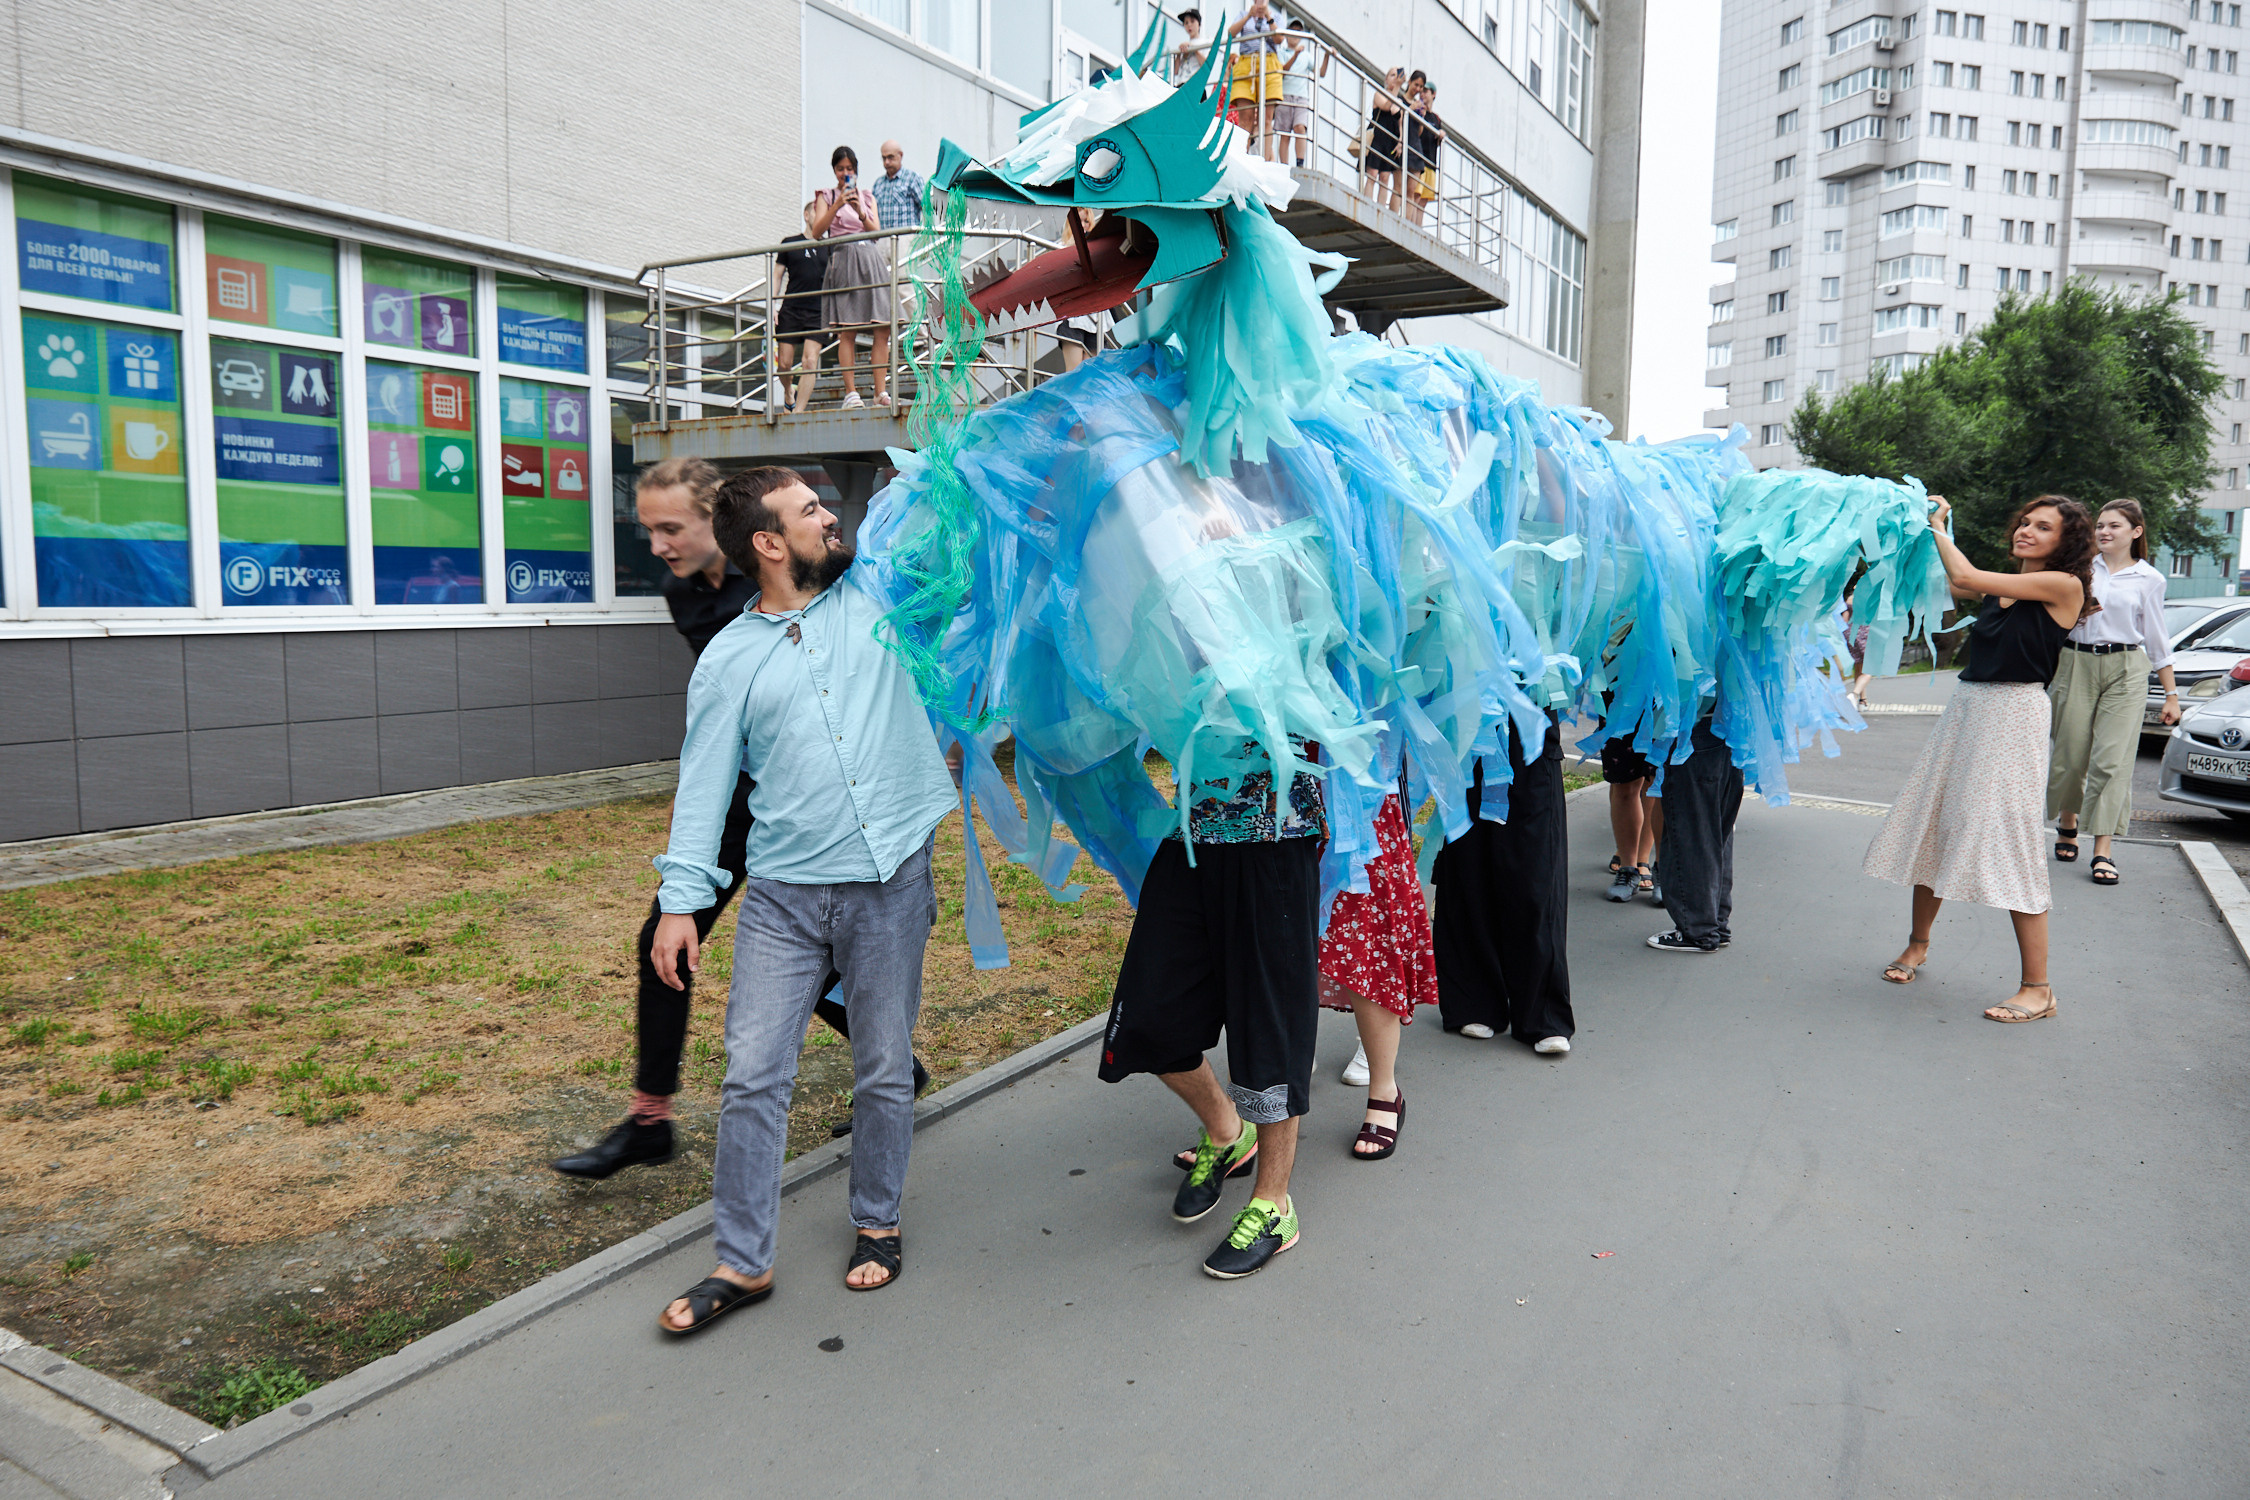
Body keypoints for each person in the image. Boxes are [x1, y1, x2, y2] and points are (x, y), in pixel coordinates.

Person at [551, 459, 927, 1181]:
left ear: (723, 525)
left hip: (810, 804)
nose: (658, 545)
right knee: (666, 940)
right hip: (741, 804)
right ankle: (650, 1119)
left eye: (671, 527)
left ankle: (895, 1066)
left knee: (818, 957)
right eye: (649, 530)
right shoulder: (685, 595)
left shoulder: (807, 581)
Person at [652, 467, 959, 1333]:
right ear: (769, 543)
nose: (831, 518)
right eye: (811, 511)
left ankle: (878, 1220)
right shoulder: (728, 659)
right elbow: (703, 785)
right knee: (753, 1074)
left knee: (883, 1065)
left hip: (889, 881)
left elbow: (958, 549)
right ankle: (742, 1263)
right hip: (784, 898)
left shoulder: (883, 596)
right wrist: (680, 903)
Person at [1863, 494, 2094, 1024]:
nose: (2026, 531)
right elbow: (1947, 581)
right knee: (1938, 823)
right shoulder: (2003, 586)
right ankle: (1918, 944)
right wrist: (1913, 530)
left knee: (2011, 842)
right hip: (1968, 708)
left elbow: (1964, 575)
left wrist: (1936, 525)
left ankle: (2038, 988)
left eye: (2043, 527)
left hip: (2013, 715)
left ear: (2067, 541)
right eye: (2025, 523)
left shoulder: (2065, 585)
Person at [1101, 735, 1325, 1279]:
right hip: (1192, 834)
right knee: (1148, 1021)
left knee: (1271, 1031)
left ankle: (1274, 1206)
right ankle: (1228, 1131)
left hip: (1274, 832)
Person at [2048, 499, 2181, 885]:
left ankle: (2102, 849)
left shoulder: (2150, 579)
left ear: (2135, 532)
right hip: (2075, 662)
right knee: (2070, 755)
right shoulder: (2079, 568)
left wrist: (2171, 695)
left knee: (2112, 760)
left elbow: (2156, 637)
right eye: (2100, 525)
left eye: (2114, 526)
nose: (2104, 532)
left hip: (2126, 668)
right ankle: (2068, 821)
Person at [1433, 719, 1574, 1053]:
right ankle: (1474, 1000)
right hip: (1466, 735)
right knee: (1468, 868)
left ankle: (1543, 1013)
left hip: (1530, 734)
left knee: (1537, 876)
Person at [1644, 704, 1742, 955]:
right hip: (1729, 726)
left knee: (1690, 832)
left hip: (1693, 726)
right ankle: (1715, 924)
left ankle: (1697, 930)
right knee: (1716, 832)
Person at [808, 146, 893, 409]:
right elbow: (817, 232)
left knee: (883, 326)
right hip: (843, 258)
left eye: (849, 168)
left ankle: (880, 392)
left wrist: (860, 211)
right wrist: (837, 205)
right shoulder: (826, 196)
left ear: (856, 170)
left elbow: (875, 232)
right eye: (840, 169)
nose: (845, 173)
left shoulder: (866, 196)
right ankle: (851, 392)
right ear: (834, 170)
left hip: (870, 258)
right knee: (847, 328)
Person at [772, 204, 830, 414]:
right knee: (784, 365)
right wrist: (772, 306)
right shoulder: (789, 243)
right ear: (806, 215)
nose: (821, 216)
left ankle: (798, 412)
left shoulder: (830, 245)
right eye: (817, 212)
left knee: (810, 361)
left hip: (818, 311)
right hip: (791, 308)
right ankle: (789, 390)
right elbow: (777, 275)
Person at [1601, 732, 1663, 905]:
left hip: (1667, 715)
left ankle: (1662, 870)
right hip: (1621, 715)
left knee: (1659, 783)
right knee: (1623, 782)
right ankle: (1627, 869)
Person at [1227, 0, 1287, 154]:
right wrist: (1248, 16)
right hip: (1246, 65)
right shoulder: (1243, 15)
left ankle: (1265, 159)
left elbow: (1279, 39)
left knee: (1266, 119)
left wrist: (1268, 17)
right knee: (1245, 118)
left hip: (1269, 64)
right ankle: (1242, 155)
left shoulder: (1276, 17)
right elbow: (1230, 34)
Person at [1276, 30, 1328, 168]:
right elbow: (1282, 71)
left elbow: (1321, 73)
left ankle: (1300, 164)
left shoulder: (1306, 55)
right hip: (1285, 95)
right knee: (1285, 134)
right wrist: (1295, 55)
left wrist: (1327, 55)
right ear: (1286, 35)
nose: (1295, 36)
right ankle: (1284, 166)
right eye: (1292, 31)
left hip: (1301, 97)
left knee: (1300, 128)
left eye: (1298, 32)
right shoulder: (1281, 52)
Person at [1362, 68, 1405, 209]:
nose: (1395, 78)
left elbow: (1400, 123)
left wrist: (1400, 142)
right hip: (1378, 137)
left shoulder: (1399, 101)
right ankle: (1367, 205)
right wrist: (1397, 87)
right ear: (1386, 79)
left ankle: (1380, 209)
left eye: (1397, 76)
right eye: (1392, 75)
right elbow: (1386, 106)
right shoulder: (1379, 94)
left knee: (1385, 177)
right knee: (1372, 173)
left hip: (1390, 140)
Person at [1404, 81, 1445, 226]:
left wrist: (1441, 134)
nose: (1422, 94)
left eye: (1426, 91)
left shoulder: (1436, 118)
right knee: (1415, 195)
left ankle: (1418, 228)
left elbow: (1437, 140)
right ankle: (1410, 224)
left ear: (1433, 94)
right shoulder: (1419, 110)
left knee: (1423, 201)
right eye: (1422, 91)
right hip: (1419, 160)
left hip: (1431, 163)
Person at [869, 140, 926, 233]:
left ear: (900, 155)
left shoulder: (912, 178)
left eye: (890, 157)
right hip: (883, 238)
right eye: (884, 158)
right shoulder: (878, 184)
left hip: (907, 237)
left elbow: (927, 207)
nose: (887, 162)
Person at [1841, 586, 1874, 709]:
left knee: (1859, 667)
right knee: (1869, 669)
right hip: (1866, 635)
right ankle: (1854, 695)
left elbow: (1844, 619)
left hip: (1850, 635)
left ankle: (1862, 701)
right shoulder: (1871, 599)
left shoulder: (1850, 599)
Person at [1169, 8, 1209, 81]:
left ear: (1199, 24)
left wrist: (1194, 49)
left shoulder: (1205, 43)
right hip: (1181, 83)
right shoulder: (1184, 45)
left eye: (1192, 21)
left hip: (1195, 83)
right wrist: (1178, 54)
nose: (1189, 25)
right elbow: (1175, 71)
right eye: (1186, 23)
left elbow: (1207, 66)